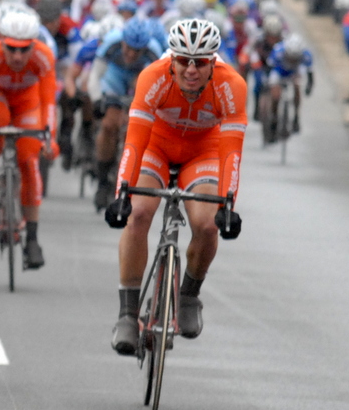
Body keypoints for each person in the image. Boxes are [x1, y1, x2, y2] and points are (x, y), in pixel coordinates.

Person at [105, 18, 246, 354]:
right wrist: (121, 192)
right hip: (157, 146)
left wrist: (228, 204)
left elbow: (231, 153)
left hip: (204, 151)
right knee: (138, 214)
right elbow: (135, 141)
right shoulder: (153, 76)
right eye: (183, 60)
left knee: (207, 224)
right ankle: (127, 313)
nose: (191, 70)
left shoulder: (231, 86)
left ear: (214, 61)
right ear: (172, 59)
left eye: (200, 62)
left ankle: (189, 295)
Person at [0, 11, 56, 268]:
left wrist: (49, 138)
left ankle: (32, 238)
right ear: (0, 43)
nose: (18, 57)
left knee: (29, 162)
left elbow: (48, 102)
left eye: (25, 50)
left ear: (35, 45)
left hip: (27, 103)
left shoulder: (44, 56)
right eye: (11, 49)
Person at [87, 18, 164, 210]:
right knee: (109, 125)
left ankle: (125, 181)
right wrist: (97, 100)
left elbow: (161, 84)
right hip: (114, 77)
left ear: (144, 48)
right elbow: (95, 76)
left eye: (137, 51)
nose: (130, 54)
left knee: (134, 129)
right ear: (122, 41)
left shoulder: (154, 51)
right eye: (127, 48)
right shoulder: (111, 44)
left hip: (138, 79)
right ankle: (103, 180)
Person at [263, 33, 313, 138]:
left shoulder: (306, 55)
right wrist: (269, 84)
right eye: (290, 57)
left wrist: (309, 86)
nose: (292, 60)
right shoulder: (278, 51)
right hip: (279, 71)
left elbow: (309, 73)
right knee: (275, 94)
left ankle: (296, 116)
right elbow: (269, 68)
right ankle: (274, 116)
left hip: (295, 72)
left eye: (295, 58)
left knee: (297, 85)